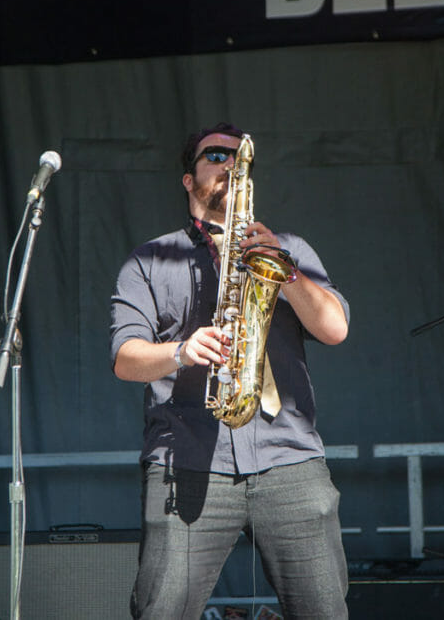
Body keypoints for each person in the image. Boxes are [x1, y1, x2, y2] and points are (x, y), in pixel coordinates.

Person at [110, 122, 351, 619]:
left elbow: (334, 329)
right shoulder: (150, 259)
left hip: (289, 459)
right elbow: (125, 358)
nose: (227, 165)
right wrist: (180, 350)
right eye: (214, 156)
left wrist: (283, 269)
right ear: (188, 179)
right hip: (188, 459)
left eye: (236, 159)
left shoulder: (291, 248)